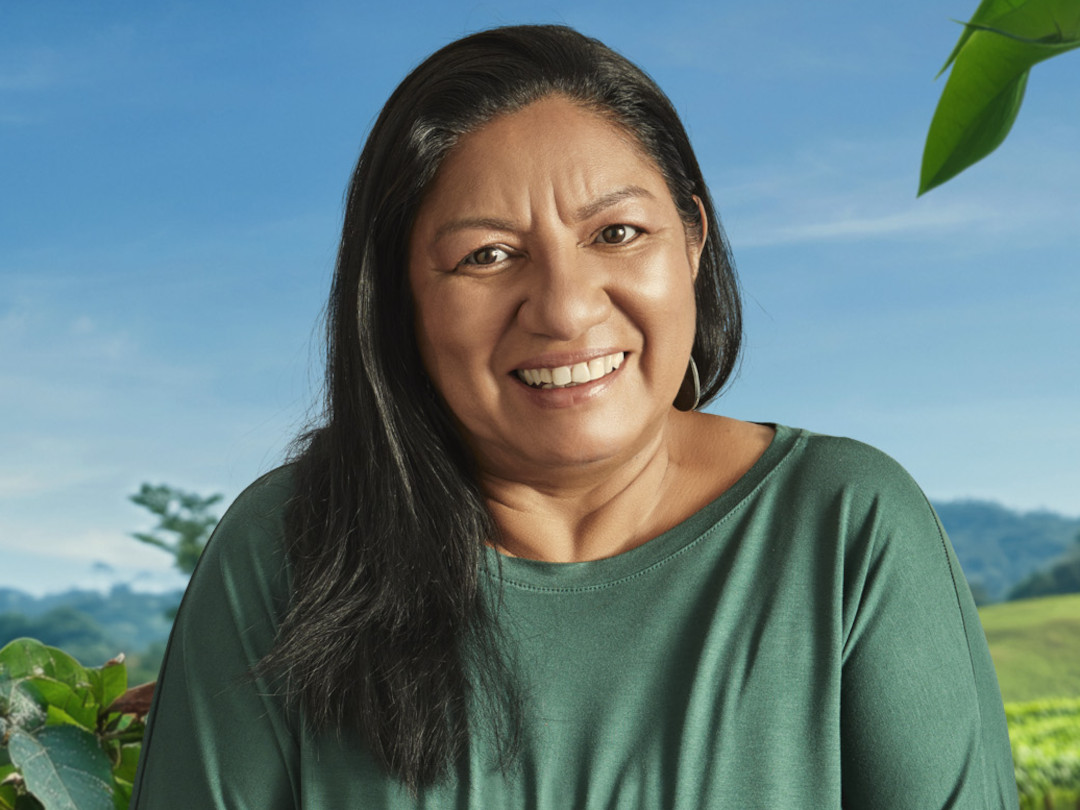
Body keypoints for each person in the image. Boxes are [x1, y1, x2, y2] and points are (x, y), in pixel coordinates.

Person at [130, 24, 1019, 809]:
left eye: (617, 234)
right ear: (398, 301)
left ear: (693, 241)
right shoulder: (284, 554)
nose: (562, 307)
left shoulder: (847, 530)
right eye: (487, 255)